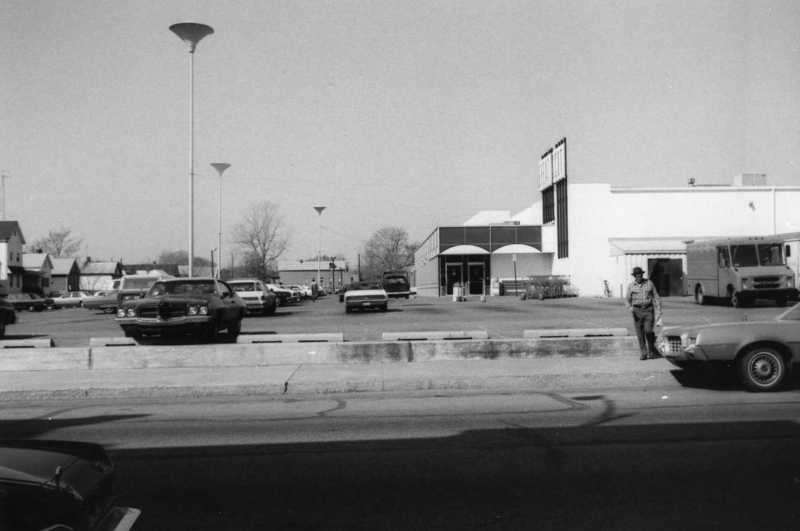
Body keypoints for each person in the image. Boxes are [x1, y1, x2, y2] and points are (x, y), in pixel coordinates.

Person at [625, 266, 662, 360]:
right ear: (634, 276)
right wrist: (630, 307)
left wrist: (659, 310)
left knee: (648, 330)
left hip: (648, 310)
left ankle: (651, 350)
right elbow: (627, 300)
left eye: (640, 274)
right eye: (637, 275)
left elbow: (656, 296)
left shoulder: (649, 283)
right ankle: (644, 353)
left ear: (642, 274)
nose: (639, 276)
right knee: (640, 333)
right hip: (636, 311)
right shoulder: (631, 286)